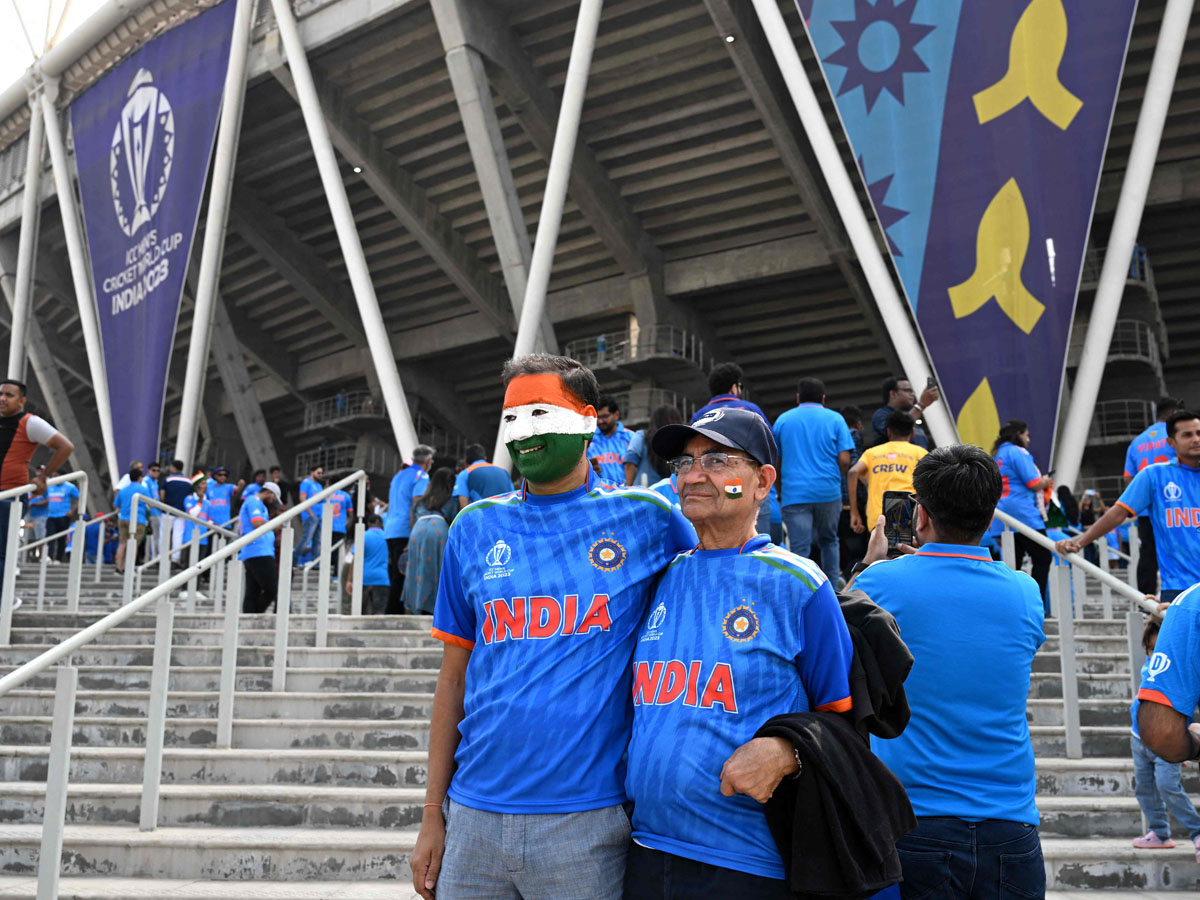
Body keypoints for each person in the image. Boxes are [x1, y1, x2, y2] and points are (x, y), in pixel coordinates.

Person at [411, 354, 695, 900]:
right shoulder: (472, 527)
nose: (524, 433)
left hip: (587, 824)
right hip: (471, 821)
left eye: (540, 413)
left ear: (588, 419)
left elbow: (723, 573)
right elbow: (453, 679)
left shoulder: (648, 519)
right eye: (512, 418)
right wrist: (432, 814)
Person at [624, 408, 854, 898]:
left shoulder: (800, 585)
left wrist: (788, 751)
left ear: (762, 482)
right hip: (644, 853)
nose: (695, 475)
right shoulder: (660, 578)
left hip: (745, 864)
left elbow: (845, 723)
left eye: (717, 459)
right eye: (684, 463)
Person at [850, 444, 1046, 899]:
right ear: (992, 513)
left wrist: (868, 563)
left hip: (913, 820)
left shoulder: (882, 583)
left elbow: (833, 629)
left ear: (919, 516)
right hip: (1011, 825)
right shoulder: (1026, 592)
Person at [1057, 410, 1200, 603]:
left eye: (1199, 433)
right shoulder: (1154, 476)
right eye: (1187, 435)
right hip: (1179, 588)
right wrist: (1080, 542)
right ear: (1171, 442)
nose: (1196, 439)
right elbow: (1117, 514)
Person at [1129, 613, 1200, 858]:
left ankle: (1197, 831)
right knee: (1144, 788)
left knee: (1168, 785)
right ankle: (1159, 831)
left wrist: (1178, 743)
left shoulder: (1179, 672)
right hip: (1138, 738)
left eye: (1158, 649)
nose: (1153, 654)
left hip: (1167, 739)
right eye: (1149, 650)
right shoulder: (1148, 667)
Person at [772, 377, 854, 582]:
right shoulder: (836, 419)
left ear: (798, 398)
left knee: (800, 548)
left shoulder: (783, 420)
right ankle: (834, 591)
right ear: (823, 399)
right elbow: (844, 459)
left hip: (795, 494)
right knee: (829, 541)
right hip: (828, 491)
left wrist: (781, 491)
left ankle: (802, 591)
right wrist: (837, 478)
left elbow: (776, 463)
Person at [0, 380, 74, 587]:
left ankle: (5, 600)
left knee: (1, 550)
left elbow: (65, 446)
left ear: (22, 401)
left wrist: (44, 477)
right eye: (1, 394)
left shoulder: (29, 422)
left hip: (10, 495)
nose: (3, 398)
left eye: (9, 395)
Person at [1123, 396, 1184, 595]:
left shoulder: (1137, 442)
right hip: (1177, 507)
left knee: (1148, 554)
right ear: (1174, 414)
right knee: (1183, 552)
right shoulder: (1176, 437)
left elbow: (1128, 480)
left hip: (1146, 510)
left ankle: (1144, 601)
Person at [991, 419, 1053, 604]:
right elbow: (1033, 483)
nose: (1028, 439)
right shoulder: (1018, 451)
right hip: (1023, 513)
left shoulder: (997, 455)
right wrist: (1046, 481)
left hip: (1001, 514)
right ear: (1019, 434)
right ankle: (1036, 604)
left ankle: (1013, 605)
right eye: (1027, 435)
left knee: (1012, 565)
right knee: (1043, 557)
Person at [847, 410, 926, 536]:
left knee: (880, 554)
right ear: (912, 433)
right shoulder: (920, 453)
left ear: (889, 431)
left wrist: (854, 512)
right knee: (908, 553)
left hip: (879, 518)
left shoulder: (872, 453)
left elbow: (853, 472)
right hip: (909, 514)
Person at [401, 468, 458, 615]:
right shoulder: (451, 499)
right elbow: (454, 519)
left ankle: (417, 605)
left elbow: (413, 515)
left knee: (418, 568)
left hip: (418, 531)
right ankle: (436, 608)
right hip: (439, 529)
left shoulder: (421, 501)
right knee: (439, 569)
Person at [385, 446, 434, 614]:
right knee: (403, 572)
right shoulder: (421, 476)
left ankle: (393, 610)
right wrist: (414, 532)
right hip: (405, 528)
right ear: (428, 461)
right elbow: (416, 505)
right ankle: (394, 612)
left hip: (391, 529)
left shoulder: (398, 476)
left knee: (394, 572)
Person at [240, 481, 282, 613]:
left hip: (258, 550)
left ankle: (250, 617)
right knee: (272, 589)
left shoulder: (259, 504)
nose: (273, 502)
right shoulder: (254, 500)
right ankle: (255, 613)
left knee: (253, 590)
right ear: (269, 493)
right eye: (273, 498)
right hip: (258, 551)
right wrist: (274, 525)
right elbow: (257, 522)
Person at [870, 376, 938, 449]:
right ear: (893, 393)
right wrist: (921, 405)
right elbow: (899, 429)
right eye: (907, 390)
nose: (912, 394)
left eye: (912, 391)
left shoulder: (913, 416)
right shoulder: (881, 414)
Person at [623, 404, 682, 488]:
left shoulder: (641, 436)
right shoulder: (680, 442)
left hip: (644, 493)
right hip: (670, 493)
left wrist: (628, 488)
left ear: (653, 420)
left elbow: (630, 463)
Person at [690, 362, 767, 423]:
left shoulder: (699, 415)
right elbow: (769, 438)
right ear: (733, 388)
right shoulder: (751, 409)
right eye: (740, 386)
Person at [113, 464, 152, 575]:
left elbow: (116, 505)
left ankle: (118, 568)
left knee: (122, 544)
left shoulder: (123, 490)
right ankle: (130, 568)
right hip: (137, 519)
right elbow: (151, 504)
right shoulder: (142, 489)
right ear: (140, 478)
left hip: (123, 518)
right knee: (133, 544)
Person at [349, 514, 391, 615]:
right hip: (382, 579)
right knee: (379, 613)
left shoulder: (362, 536)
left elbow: (355, 559)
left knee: (359, 613)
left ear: (368, 524)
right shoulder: (387, 536)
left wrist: (349, 580)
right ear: (381, 524)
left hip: (363, 579)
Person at [587, 394, 632, 485]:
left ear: (616, 415)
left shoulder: (630, 437)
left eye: (605, 416)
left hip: (625, 494)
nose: (600, 421)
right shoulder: (589, 439)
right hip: (598, 494)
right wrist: (590, 470)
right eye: (598, 417)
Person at [452, 444, 512, 510]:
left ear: (465, 462)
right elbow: (513, 498)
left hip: (482, 518)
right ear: (485, 458)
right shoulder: (503, 471)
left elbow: (463, 505)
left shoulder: (465, 473)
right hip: (505, 516)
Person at [162, 460, 193, 564]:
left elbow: (162, 495)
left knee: (164, 535)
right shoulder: (188, 481)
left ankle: (162, 557)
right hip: (181, 511)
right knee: (178, 536)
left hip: (167, 510)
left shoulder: (167, 479)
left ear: (173, 467)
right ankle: (175, 558)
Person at [45, 477, 80, 562]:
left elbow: (80, 498)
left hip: (63, 516)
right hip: (51, 516)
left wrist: (72, 510)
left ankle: (58, 558)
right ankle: (49, 556)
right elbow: (45, 498)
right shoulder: (50, 486)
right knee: (50, 536)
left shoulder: (70, 487)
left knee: (61, 538)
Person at [326, 484, 355, 579]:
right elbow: (351, 513)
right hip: (340, 527)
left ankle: (326, 572)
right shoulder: (346, 496)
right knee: (338, 552)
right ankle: (335, 575)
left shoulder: (327, 494)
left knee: (327, 550)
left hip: (327, 526)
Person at [297, 465, 325, 562]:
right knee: (306, 539)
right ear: (312, 472)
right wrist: (311, 514)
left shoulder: (319, 486)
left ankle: (315, 562)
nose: (320, 475)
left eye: (322, 473)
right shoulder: (306, 483)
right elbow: (302, 499)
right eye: (318, 473)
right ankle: (294, 559)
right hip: (310, 516)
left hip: (319, 516)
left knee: (317, 541)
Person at [25, 471, 48, 562]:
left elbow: (47, 501)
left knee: (40, 537)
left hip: (40, 516)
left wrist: (34, 505)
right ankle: (26, 558)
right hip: (29, 515)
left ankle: (41, 557)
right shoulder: (28, 491)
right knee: (28, 538)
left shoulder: (45, 490)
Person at [142, 462, 162, 558]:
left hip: (157, 511)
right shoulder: (146, 481)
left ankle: (155, 555)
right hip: (151, 511)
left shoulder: (155, 482)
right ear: (148, 471)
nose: (156, 472)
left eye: (158, 471)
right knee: (154, 535)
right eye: (154, 470)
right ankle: (154, 556)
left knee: (157, 535)